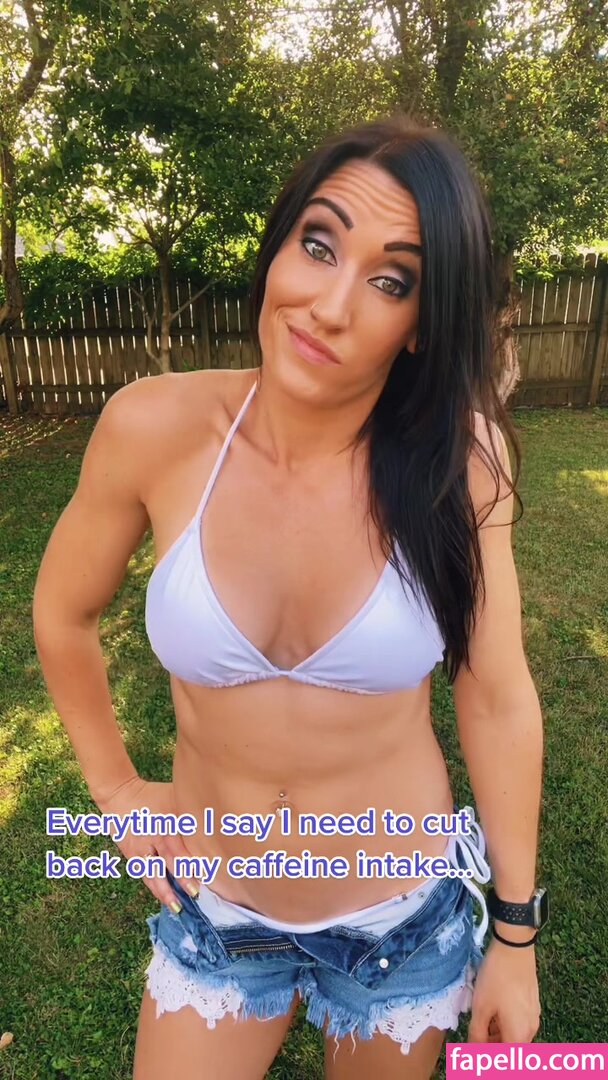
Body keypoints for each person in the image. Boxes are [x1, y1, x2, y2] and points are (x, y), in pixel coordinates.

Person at [33, 114, 545, 1080]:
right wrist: (117, 792)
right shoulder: (152, 426)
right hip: (218, 914)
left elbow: (496, 695)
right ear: (278, 248)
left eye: (390, 280)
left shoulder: (460, 459)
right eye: (319, 244)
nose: (330, 305)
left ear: (423, 321)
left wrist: (514, 937)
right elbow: (63, 614)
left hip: (400, 919)